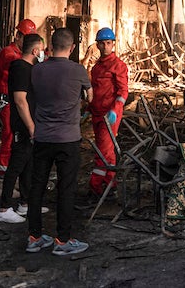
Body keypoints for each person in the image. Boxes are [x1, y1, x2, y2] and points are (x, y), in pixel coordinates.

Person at [25, 28, 92, 256]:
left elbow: (32, 97)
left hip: (42, 137)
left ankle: (34, 237)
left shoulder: (37, 70)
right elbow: (90, 97)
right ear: (72, 48)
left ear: (51, 47)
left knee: (37, 187)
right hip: (68, 139)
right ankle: (62, 240)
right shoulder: (78, 70)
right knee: (66, 188)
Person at [0, 32, 43, 223]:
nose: (43, 54)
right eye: (41, 50)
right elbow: (20, 100)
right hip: (23, 125)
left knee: (27, 165)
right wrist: (31, 126)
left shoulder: (28, 68)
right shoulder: (21, 68)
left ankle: (25, 202)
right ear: (35, 51)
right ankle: (4, 207)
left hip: (28, 124)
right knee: (16, 165)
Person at [88, 27, 129, 196]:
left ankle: (95, 187)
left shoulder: (118, 66)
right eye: (102, 43)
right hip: (97, 114)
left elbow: (123, 92)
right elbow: (95, 91)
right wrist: (88, 109)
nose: (105, 47)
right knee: (107, 150)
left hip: (109, 116)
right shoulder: (96, 68)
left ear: (113, 44)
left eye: (108, 43)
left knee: (102, 152)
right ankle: (110, 184)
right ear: (97, 45)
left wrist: (115, 110)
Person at [0, 18, 36, 177]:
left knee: (19, 139)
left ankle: (16, 173)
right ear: (18, 36)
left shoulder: (20, 54)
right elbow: (19, 65)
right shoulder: (9, 53)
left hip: (17, 102)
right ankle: (3, 176)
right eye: (26, 38)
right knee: (9, 137)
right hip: (9, 103)